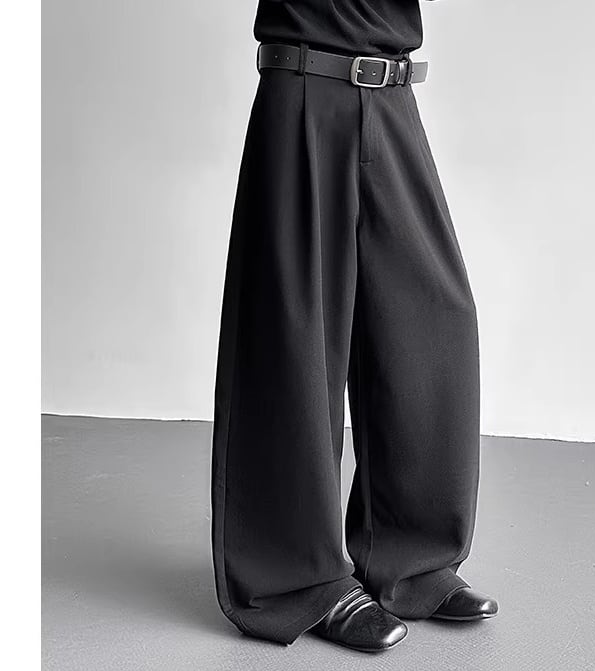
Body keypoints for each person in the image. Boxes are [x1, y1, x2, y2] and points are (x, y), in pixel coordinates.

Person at [211, 0, 499, 653]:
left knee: (433, 317)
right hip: (305, 85)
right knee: (296, 334)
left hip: (392, 93)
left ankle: (410, 558)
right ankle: (294, 578)